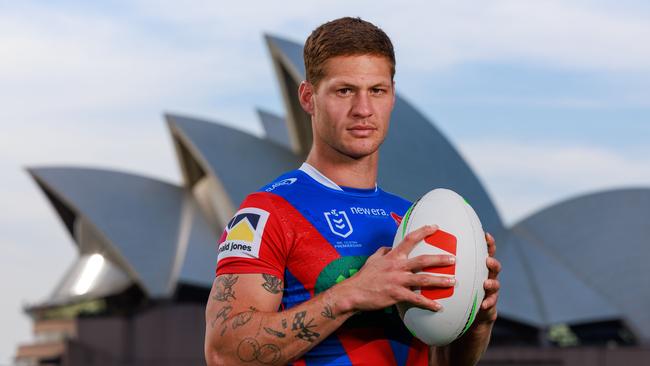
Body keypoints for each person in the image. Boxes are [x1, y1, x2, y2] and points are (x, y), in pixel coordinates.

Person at [204, 17, 501, 366]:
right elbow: (224, 353)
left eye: (377, 90)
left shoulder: (410, 222)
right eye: (344, 90)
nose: (363, 109)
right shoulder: (268, 213)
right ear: (308, 97)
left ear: (392, 97)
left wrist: (476, 318)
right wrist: (353, 294)